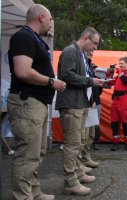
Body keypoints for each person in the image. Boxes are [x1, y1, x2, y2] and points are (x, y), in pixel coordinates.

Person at [7, 4, 66, 200]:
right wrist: (51, 81)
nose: (51, 24)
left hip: (36, 103)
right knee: (27, 154)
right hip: (27, 102)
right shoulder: (24, 37)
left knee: (36, 152)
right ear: (41, 17)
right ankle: (22, 196)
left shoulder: (34, 39)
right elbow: (23, 71)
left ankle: (33, 191)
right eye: (50, 19)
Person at [56, 27, 103, 196]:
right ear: (86, 38)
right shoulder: (70, 51)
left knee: (77, 142)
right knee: (72, 144)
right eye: (95, 44)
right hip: (71, 105)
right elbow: (66, 75)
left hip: (78, 105)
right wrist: (90, 81)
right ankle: (70, 182)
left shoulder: (80, 54)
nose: (95, 48)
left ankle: (78, 173)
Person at [108, 57, 127, 151]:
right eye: (119, 64)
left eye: (122, 63)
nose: (120, 65)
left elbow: (125, 80)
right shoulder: (119, 74)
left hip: (125, 99)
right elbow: (110, 82)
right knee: (114, 121)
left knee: (126, 121)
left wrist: (118, 71)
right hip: (116, 99)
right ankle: (115, 141)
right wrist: (109, 73)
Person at [81, 51, 102, 167]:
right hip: (87, 104)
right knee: (83, 134)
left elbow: (98, 92)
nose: (90, 54)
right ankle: (82, 161)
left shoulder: (93, 75)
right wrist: (89, 102)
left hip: (94, 104)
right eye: (88, 54)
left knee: (90, 133)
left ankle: (86, 157)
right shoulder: (84, 69)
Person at [91, 63, 103, 150]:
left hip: (97, 103)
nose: (94, 69)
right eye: (93, 68)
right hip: (86, 103)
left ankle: (96, 142)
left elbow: (99, 92)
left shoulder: (98, 78)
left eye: (95, 68)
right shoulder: (86, 78)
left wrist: (101, 86)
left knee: (96, 123)